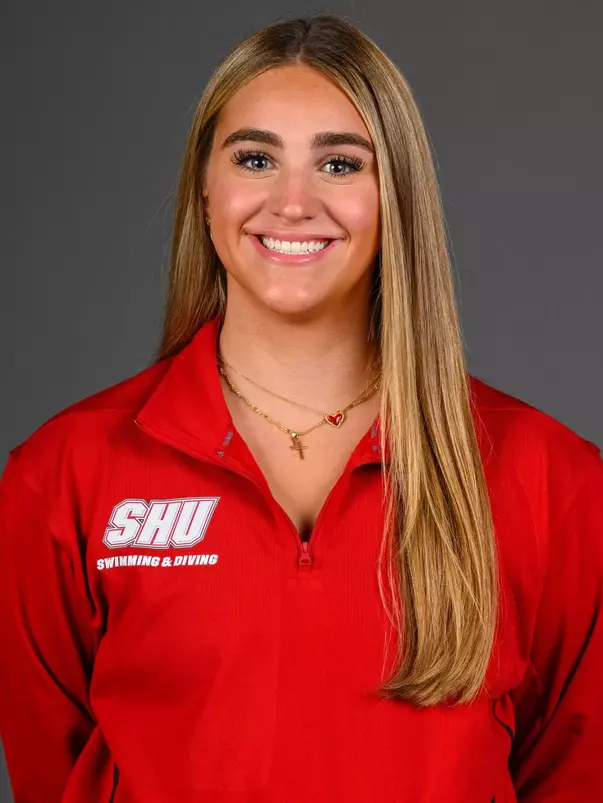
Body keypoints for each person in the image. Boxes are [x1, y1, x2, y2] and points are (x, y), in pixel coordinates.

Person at [0, 11, 602, 803]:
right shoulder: (66, 471)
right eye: (255, 158)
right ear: (204, 189)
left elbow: (573, 769)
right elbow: (56, 771)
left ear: (398, 196)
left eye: (340, 164)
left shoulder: (548, 475)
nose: (292, 202)